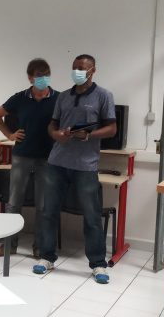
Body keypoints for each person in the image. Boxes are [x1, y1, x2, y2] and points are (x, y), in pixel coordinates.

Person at [34, 54, 116, 284]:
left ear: (93, 70)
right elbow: (52, 124)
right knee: (48, 211)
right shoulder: (63, 96)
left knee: (91, 216)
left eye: (82, 68)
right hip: (57, 162)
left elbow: (111, 128)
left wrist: (89, 135)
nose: (77, 71)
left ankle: (98, 264)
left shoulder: (103, 96)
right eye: (74, 67)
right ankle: (46, 257)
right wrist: (55, 134)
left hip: (85, 165)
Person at [0, 58, 58, 258]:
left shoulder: (59, 98)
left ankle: (40, 247)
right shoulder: (19, 98)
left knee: (43, 205)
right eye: (39, 76)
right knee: (14, 202)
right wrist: (9, 135)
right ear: (30, 78)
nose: (43, 79)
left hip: (48, 157)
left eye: (46, 75)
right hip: (22, 155)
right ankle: (9, 245)